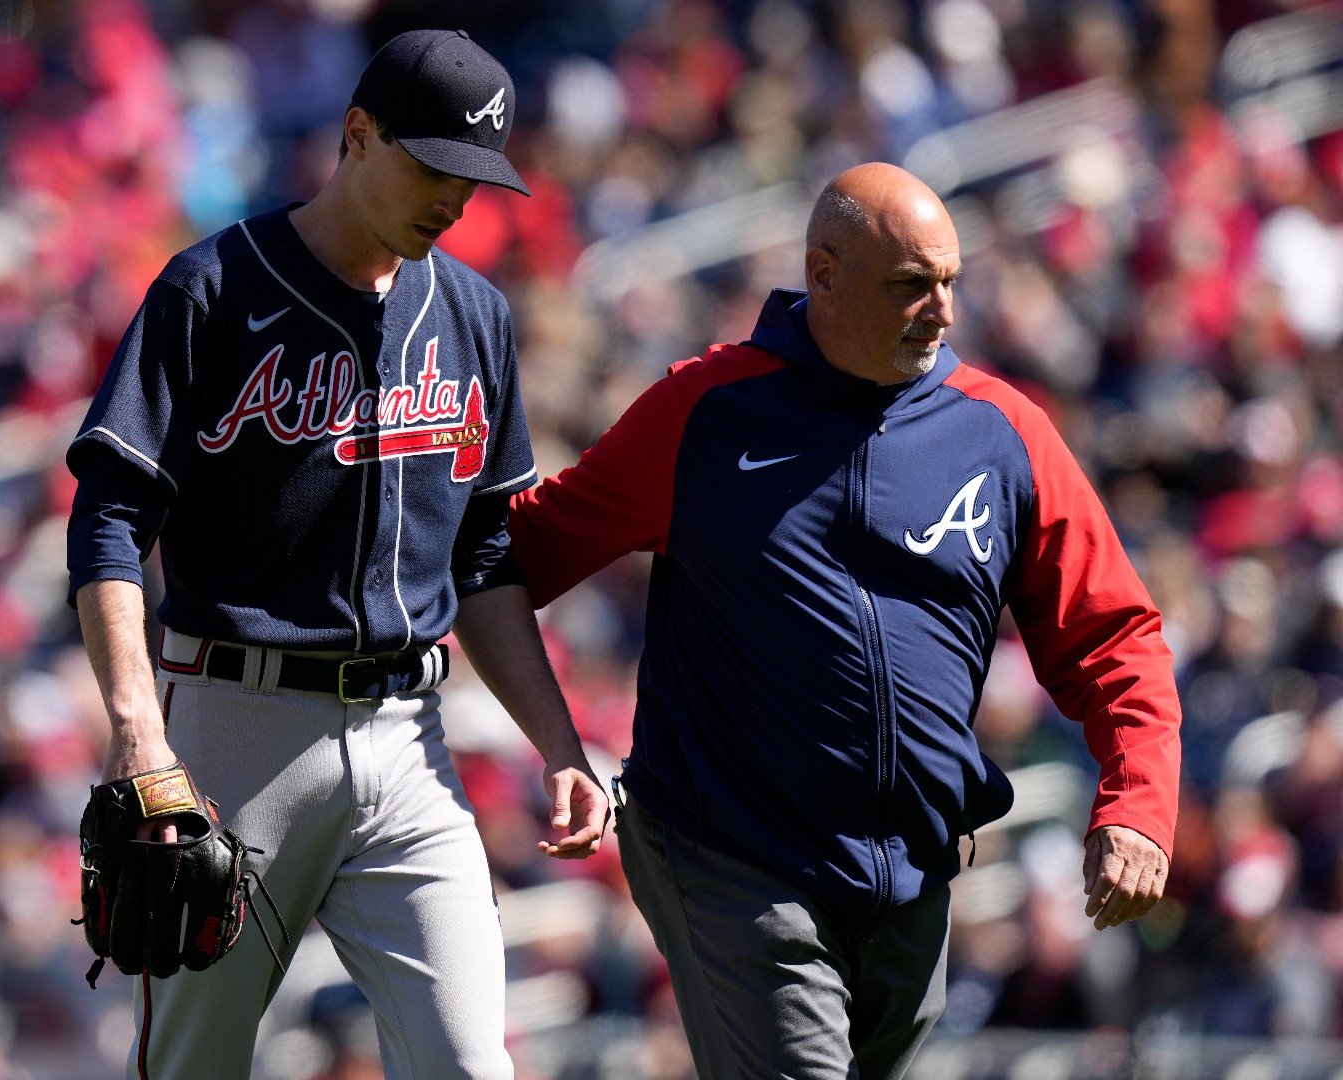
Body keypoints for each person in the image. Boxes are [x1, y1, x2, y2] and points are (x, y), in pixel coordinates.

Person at [506, 163, 1182, 1079]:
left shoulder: (1003, 432)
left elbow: (1112, 635)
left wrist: (1138, 802)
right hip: (733, 857)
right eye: (911, 286)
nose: (941, 310)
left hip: (914, 878)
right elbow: (514, 559)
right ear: (823, 275)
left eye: (950, 282)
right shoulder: (706, 410)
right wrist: (552, 740)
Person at [65, 29, 609, 1080]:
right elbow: (110, 519)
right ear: (357, 135)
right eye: (435, 164)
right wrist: (139, 734)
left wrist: (558, 744)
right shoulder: (212, 290)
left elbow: (485, 553)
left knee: (469, 1064)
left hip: (411, 735)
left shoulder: (476, 314)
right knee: (194, 1066)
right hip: (234, 733)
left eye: (477, 175)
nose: (456, 198)